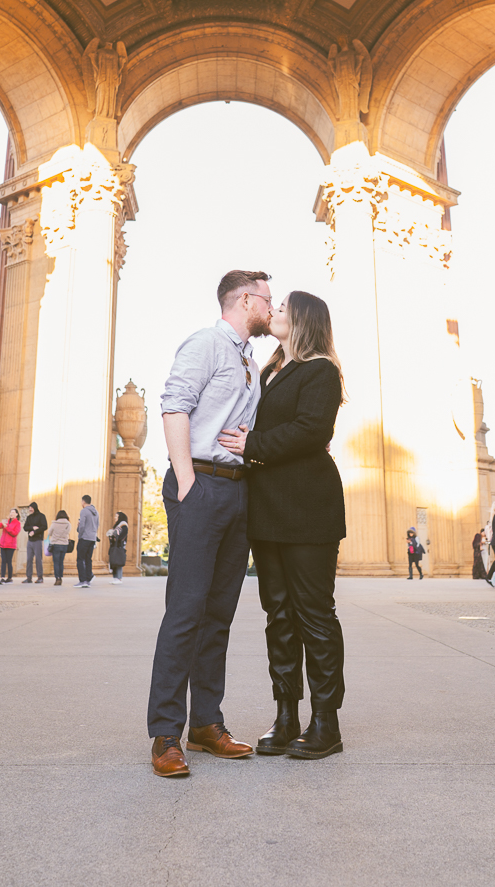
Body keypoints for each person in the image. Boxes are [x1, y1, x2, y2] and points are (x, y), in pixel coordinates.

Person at [147, 268, 272, 779]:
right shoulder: (206, 343)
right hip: (200, 485)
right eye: (268, 298)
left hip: (238, 490)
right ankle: (165, 735)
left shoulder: (250, 359)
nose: (272, 305)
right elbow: (174, 405)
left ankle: (206, 724)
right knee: (185, 610)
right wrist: (186, 481)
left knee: (218, 612)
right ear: (245, 300)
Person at [220, 289, 346, 761]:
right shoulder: (272, 372)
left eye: (283, 308)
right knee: (279, 616)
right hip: (268, 510)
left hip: (308, 508)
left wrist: (253, 444)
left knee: (315, 615)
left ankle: (326, 723)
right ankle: (286, 715)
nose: (273, 312)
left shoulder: (321, 371)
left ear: (304, 320)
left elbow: (312, 430)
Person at [75, 495, 99, 587]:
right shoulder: (96, 512)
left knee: (80, 559)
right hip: (92, 538)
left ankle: (83, 580)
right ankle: (88, 579)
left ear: (83, 502)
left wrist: (80, 534)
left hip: (84, 538)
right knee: (88, 559)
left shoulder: (84, 511)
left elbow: (82, 526)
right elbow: (97, 525)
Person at [23, 501, 48, 584]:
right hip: (30, 541)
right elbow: (25, 527)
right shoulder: (29, 517)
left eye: (31, 508)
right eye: (29, 508)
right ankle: (28, 577)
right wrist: (32, 528)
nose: (30, 509)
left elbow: (44, 526)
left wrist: (35, 531)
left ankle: (40, 577)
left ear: (35, 508)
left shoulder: (41, 516)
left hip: (38, 540)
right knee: (29, 559)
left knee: (38, 559)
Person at [0, 509, 21, 583]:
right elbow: (0, 525)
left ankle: (10, 578)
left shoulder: (17, 523)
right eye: (11, 512)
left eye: (13, 512)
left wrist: (6, 527)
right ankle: (2, 577)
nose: (11, 514)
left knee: (9, 561)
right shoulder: (7, 521)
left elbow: (14, 533)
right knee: (3, 561)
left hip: (10, 545)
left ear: (16, 514)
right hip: (3, 544)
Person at [48, 510, 71, 585]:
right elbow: (68, 532)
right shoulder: (68, 524)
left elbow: (49, 533)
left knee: (56, 562)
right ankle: (60, 577)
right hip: (64, 545)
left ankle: (57, 578)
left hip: (56, 544)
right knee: (61, 562)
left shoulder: (54, 523)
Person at [107, 511, 128, 582]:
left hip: (119, 546)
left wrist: (115, 538)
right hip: (115, 545)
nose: (115, 518)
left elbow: (122, 536)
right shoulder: (117, 525)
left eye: (116, 516)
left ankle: (119, 578)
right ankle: (115, 578)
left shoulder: (123, 525)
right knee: (114, 561)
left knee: (118, 561)